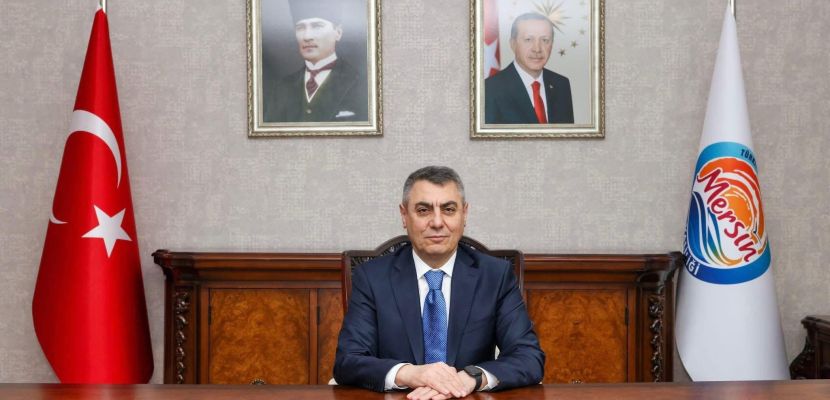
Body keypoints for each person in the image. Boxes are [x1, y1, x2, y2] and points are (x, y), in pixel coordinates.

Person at [334, 166, 544, 399]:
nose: (437, 222)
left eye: (449, 209)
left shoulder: (495, 276)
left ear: (464, 214)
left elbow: (528, 357)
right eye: (423, 210)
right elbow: (347, 361)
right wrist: (410, 374)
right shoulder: (372, 277)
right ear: (404, 215)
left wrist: (470, 378)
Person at [263, 0, 368, 123]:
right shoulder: (282, 88)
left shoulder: (361, 83)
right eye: (300, 28)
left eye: (317, 26)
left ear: (338, 33)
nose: (307, 36)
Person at [485, 13, 574, 124]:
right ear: (513, 44)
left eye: (545, 40)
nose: (537, 49)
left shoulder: (561, 84)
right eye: (528, 39)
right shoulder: (490, 89)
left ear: (551, 44)